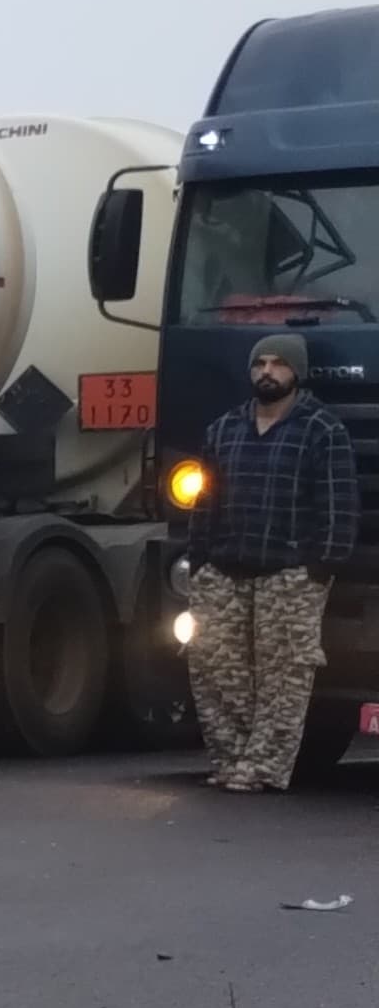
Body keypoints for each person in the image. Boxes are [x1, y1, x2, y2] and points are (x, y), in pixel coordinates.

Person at [186, 332, 358, 791]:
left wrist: (320, 567)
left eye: (278, 364)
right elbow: (205, 503)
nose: (267, 372)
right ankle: (230, 760)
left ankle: (263, 769)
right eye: (259, 363)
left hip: (290, 574)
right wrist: (200, 562)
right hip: (224, 571)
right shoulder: (223, 430)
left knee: (284, 679)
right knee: (213, 669)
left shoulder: (322, 430)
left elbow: (338, 507)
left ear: (296, 373)